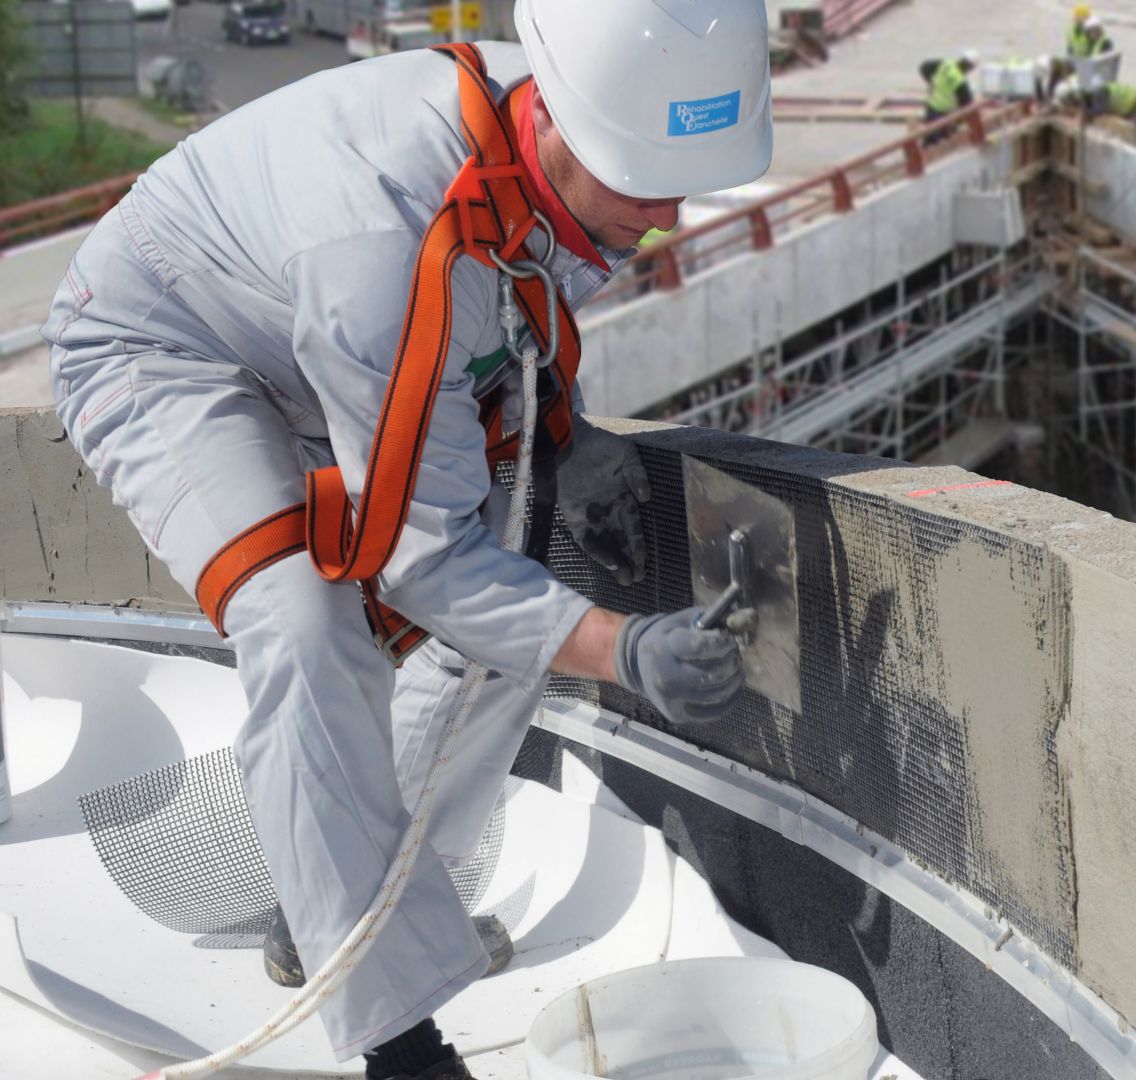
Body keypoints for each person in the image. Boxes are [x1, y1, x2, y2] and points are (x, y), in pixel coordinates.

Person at [39, 0, 767, 1075]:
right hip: (166, 343)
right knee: (302, 618)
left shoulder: (572, 105)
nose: (662, 212)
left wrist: (564, 441)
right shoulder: (386, 239)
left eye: (677, 181)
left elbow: (504, 307)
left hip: (313, 328)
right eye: (640, 179)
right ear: (559, 126)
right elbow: (417, 558)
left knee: (528, 577)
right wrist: (623, 652)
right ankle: (396, 1038)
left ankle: (347, 915)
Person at [921, 48, 978, 143]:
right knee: (940, 141)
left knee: (929, 137)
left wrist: (930, 82)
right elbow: (967, 105)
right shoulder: (960, 81)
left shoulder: (945, 64)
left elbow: (924, 67)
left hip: (931, 106)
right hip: (944, 113)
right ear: (971, 68)